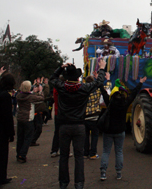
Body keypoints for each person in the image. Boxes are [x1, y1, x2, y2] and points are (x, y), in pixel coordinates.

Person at [50, 60, 106, 189]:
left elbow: (52, 79)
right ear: (78, 77)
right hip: (79, 125)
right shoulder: (83, 88)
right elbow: (98, 82)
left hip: (64, 126)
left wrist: (60, 68)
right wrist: (101, 69)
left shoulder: (61, 87)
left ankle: (63, 183)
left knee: (64, 156)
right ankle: (79, 183)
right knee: (79, 156)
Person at [99, 76, 147, 181]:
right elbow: (134, 94)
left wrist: (99, 79)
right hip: (120, 130)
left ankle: (103, 173)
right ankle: (119, 173)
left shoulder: (109, 103)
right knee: (119, 152)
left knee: (106, 151)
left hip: (108, 130)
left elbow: (103, 91)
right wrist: (140, 83)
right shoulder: (125, 104)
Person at [16, 80, 45, 163]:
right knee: (28, 138)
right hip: (28, 118)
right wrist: (40, 91)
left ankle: (18, 154)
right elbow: (41, 99)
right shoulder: (31, 97)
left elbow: (27, 94)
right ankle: (23, 154)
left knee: (20, 137)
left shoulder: (18, 95)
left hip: (20, 118)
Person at [83, 75, 102, 159]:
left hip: (85, 116)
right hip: (95, 117)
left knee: (85, 136)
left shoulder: (83, 92)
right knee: (94, 136)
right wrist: (108, 79)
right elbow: (106, 87)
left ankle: (85, 153)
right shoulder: (97, 91)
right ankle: (93, 153)